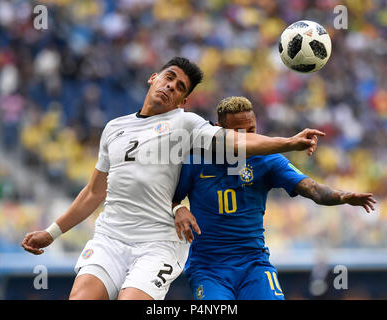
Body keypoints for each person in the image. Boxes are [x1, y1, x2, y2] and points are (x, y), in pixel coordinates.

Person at [21, 57, 324, 300]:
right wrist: (51, 233)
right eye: (169, 77)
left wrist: (289, 143)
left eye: (180, 87)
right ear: (153, 77)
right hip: (110, 238)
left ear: (182, 102)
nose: (171, 86)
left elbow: (236, 142)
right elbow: (93, 192)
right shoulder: (114, 128)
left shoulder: (185, 124)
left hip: (157, 245)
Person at [172, 96, 376, 300]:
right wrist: (178, 208)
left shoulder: (267, 159)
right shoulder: (195, 159)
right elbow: (166, 197)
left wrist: (342, 196)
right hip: (209, 268)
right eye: (237, 133)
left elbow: (312, 189)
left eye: (251, 131)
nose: (247, 139)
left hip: (253, 264)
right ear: (217, 130)